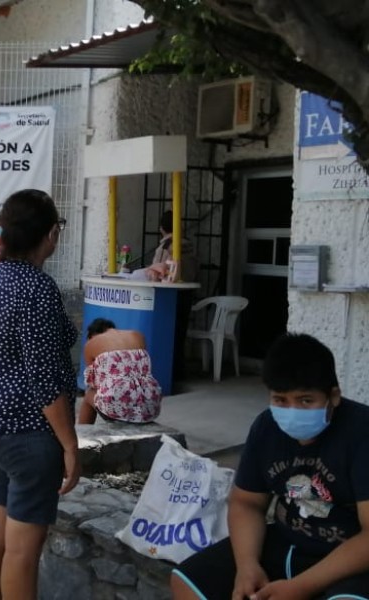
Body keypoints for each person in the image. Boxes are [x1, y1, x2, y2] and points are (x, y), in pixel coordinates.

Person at [171, 333, 369, 600]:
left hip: (349, 557)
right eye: (280, 400)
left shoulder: (361, 432)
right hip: (286, 541)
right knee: (186, 583)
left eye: (306, 400)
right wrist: (247, 565)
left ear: (333, 396)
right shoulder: (266, 427)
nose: (292, 410)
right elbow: (246, 503)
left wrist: (300, 587)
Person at [0, 189, 79, 600]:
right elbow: (45, 381)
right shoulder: (37, 288)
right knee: (21, 551)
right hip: (26, 431)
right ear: (51, 233)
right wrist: (70, 444)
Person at [77, 318, 161, 425]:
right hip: (151, 405)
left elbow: (92, 382)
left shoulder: (92, 343)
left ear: (92, 334)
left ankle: (84, 435)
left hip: (120, 409)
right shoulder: (138, 335)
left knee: (89, 394)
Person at [151, 210, 199, 382]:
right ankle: (179, 372)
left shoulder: (166, 246)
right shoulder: (189, 244)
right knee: (179, 336)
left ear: (161, 228)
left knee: (166, 337)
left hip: (168, 297)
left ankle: (168, 373)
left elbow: (157, 271)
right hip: (186, 294)